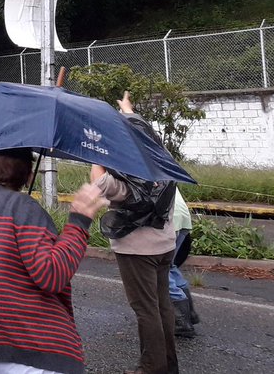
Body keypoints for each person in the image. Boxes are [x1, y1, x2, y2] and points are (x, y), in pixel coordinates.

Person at [0, 148, 110, 374]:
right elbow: (52, 275)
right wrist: (79, 221)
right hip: (31, 344)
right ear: (30, 177)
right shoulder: (25, 208)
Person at [92, 92, 179, 374]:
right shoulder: (158, 163)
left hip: (137, 251)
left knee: (146, 309)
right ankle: (168, 365)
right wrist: (129, 111)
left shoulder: (123, 180)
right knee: (162, 304)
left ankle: (152, 368)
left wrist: (97, 148)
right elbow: (142, 133)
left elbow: (99, 181)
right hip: (165, 243)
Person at [169, 191, 199, 338]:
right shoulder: (159, 167)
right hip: (182, 217)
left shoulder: (134, 169)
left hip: (168, 219)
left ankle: (181, 321)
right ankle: (190, 313)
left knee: (159, 270)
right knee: (170, 265)